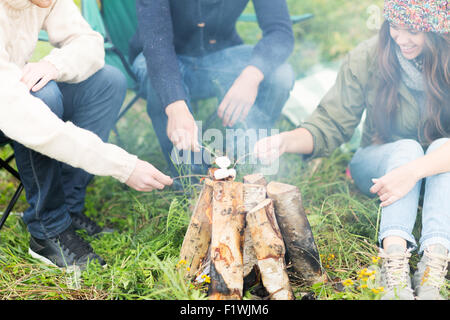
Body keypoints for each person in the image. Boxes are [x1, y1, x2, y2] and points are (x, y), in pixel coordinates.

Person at [254, 0, 449, 300]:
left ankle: (432, 273)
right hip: (378, 162)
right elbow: (331, 122)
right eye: (394, 27)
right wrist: (286, 141)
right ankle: (394, 268)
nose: (401, 38)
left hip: (436, 170)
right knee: (408, 148)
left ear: (437, 31)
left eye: (412, 30)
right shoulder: (368, 56)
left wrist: (414, 172)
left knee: (442, 148)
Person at [0, 0, 173, 270]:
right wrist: (123, 166)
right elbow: (28, 118)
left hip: (15, 98)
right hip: (11, 109)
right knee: (42, 95)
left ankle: (68, 206)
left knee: (108, 82)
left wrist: (53, 64)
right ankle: (49, 229)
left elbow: (90, 43)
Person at [129, 0, 295, 178]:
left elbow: (280, 32)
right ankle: (192, 180)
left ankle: (246, 162)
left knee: (281, 74)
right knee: (154, 74)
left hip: (222, 57)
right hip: (165, 58)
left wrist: (251, 75)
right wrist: (174, 103)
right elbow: (156, 44)